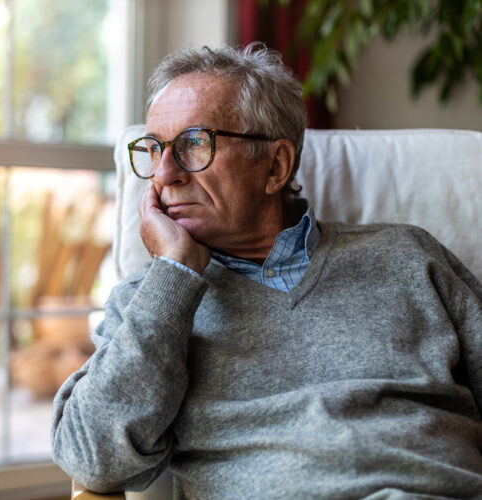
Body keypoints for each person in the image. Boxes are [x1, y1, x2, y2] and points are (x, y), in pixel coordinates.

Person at [51, 43, 482, 499]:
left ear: (275, 166)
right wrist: (174, 275)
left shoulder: (409, 257)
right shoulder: (151, 302)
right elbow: (92, 460)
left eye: (194, 143)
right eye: (155, 150)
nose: (164, 174)